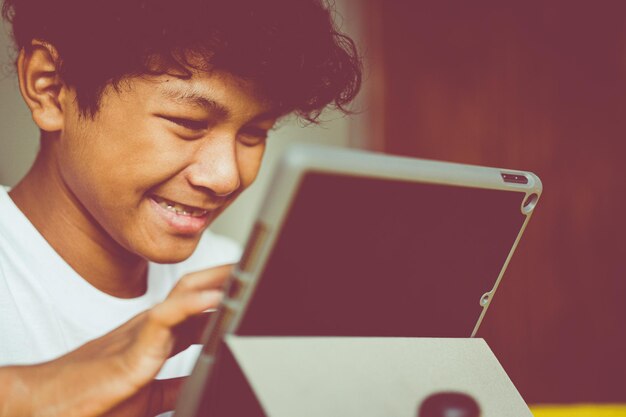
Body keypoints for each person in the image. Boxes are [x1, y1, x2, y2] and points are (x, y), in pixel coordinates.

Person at [0, 0, 361, 415]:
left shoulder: (233, 289)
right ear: (49, 88)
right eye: (189, 123)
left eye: (254, 133)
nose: (226, 177)